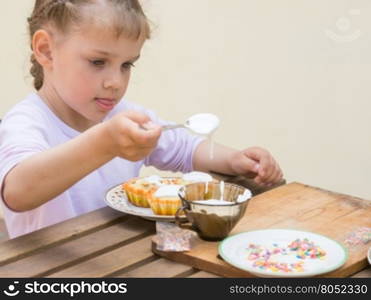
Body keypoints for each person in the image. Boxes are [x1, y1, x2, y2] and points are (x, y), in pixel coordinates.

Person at [0, 0, 283, 239]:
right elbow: (18, 192)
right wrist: (104, 144)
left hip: (118, 258)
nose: (115, 82)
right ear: (46, 51)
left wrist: (235, 160)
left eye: (126, 65)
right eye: (98, 62)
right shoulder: (26, 122)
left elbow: (184, 148)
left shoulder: (121, 114)